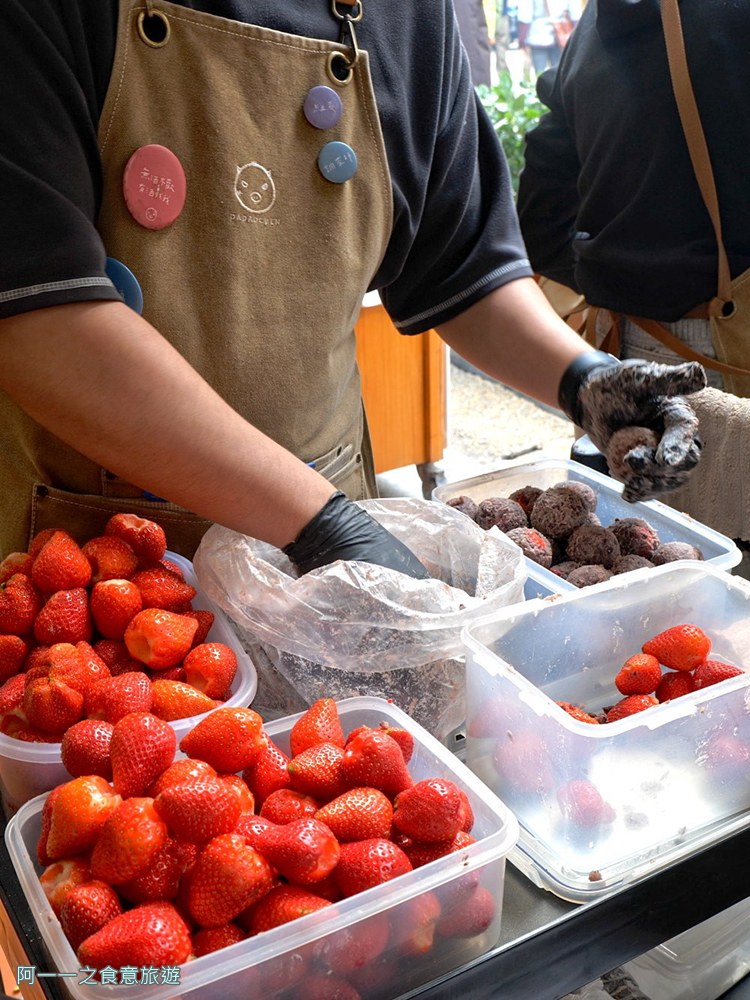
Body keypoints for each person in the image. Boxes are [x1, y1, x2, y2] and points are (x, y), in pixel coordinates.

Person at [0, 0, 704, 578]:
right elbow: (39, 315)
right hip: (89, 562)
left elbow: (462, 265)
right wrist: (319, 522)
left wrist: (586, 382)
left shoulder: (408, 17)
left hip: (333, 541)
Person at [517, 0, 750, 393]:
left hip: (608, 354)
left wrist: (614, 273)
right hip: (728, 346)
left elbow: (539, 218)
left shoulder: (591, 24)